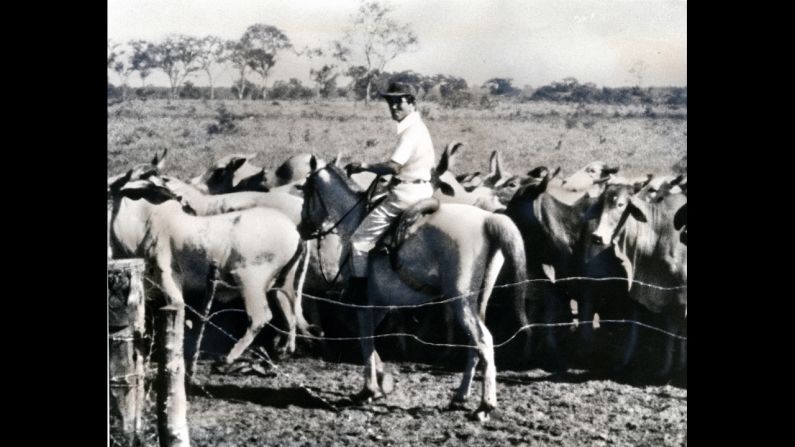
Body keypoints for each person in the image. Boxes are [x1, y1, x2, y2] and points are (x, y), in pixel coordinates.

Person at [344, 82, 436, 303]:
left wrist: (364, 166)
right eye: (390, 103)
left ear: (412, 103)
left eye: (399, 102)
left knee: (359, 240)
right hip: (424, 190)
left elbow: (393, 166)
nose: (394, 107)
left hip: (406, 196)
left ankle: (358, 294)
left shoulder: (411, 132)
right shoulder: (420, 128)